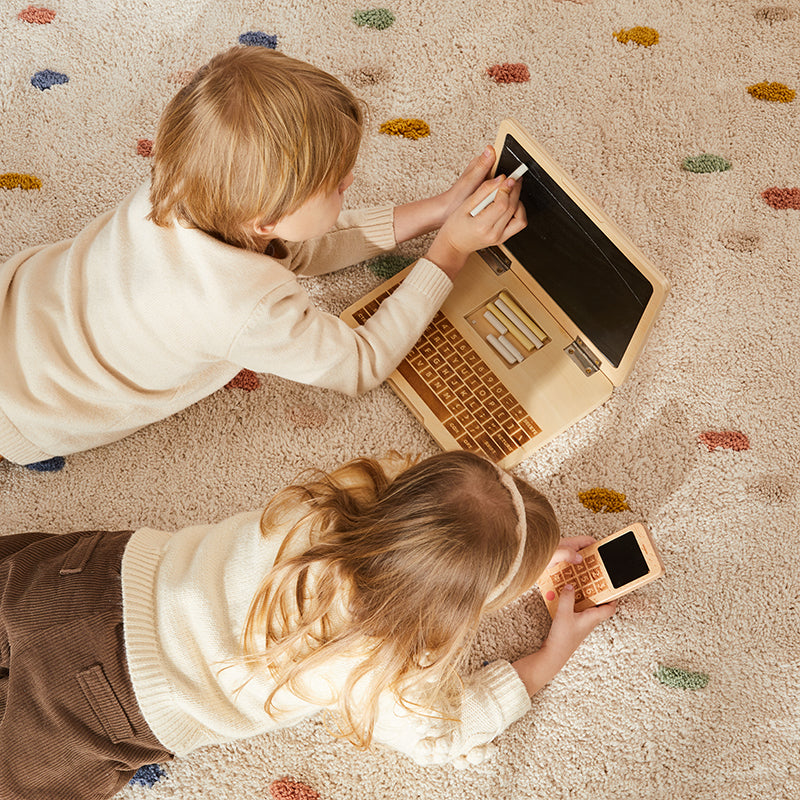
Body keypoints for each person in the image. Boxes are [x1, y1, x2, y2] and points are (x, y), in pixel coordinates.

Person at [0, 46, 526, 470]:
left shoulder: (185, 182)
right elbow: (360, 363)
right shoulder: (246, 307)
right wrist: (450, 249)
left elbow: (296, 247)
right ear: (266, 221)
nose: (350, 181)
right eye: (337, 187)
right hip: (26, 412)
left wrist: (436, 211)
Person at [0, 449, 617, 798]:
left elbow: (443, 528)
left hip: (84, 576)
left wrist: (509, 558)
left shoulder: (336, 496)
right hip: (110, 704)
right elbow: (444, 735)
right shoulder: (387, 664)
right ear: (458, 609)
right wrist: (549, 657)